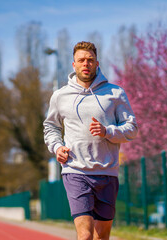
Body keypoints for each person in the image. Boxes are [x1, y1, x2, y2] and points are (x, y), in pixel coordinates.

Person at [43, 41, 138, 240]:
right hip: (75, 170)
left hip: (107, 172)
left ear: (96, 63)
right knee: (85, 235)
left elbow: (131, 129)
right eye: (81, 60)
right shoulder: (60, 96)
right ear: (74, 64)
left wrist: (107, 131)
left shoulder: (115, 93)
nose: (86, 64)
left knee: (101, 237)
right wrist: (57, 146)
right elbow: (51, 127)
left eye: (90, 60)